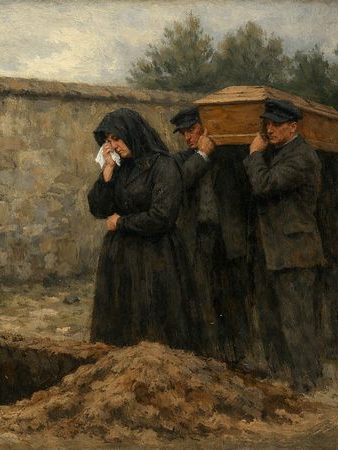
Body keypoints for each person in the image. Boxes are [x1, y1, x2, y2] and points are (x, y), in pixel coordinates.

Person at [87, 108, 201, 352]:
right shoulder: (118, 167)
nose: (113, 146)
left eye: (116, 138)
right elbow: (98, 209)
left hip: (156, 256)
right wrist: (107, 173)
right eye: (108, 141)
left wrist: (121, 223)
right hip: (120, 258)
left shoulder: (164, 165)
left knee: (153, 328)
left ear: (132, 133)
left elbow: (163, 216)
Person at [244, 99, 325, 391]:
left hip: (295, 251)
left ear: (293, 127)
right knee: (274, 316)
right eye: (267, 124)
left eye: (276, 124)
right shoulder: (280, 152)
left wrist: (254, 153)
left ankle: (306, 380)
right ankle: (282, 373)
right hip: (276, 250)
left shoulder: (301, 156)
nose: (270, 129)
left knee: (296, 320)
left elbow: (264, 185)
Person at [171, 107, 251, 367]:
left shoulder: (229, 158)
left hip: (228, 237)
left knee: (232, 295)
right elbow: (178, 183)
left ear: (206, 128)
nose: (187, 137)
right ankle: (208, 352)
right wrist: (202, 154)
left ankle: (239, 353)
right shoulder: (182, 160)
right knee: (201, 294)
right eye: (183, 133)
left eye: (192, 130)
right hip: (197, 238)